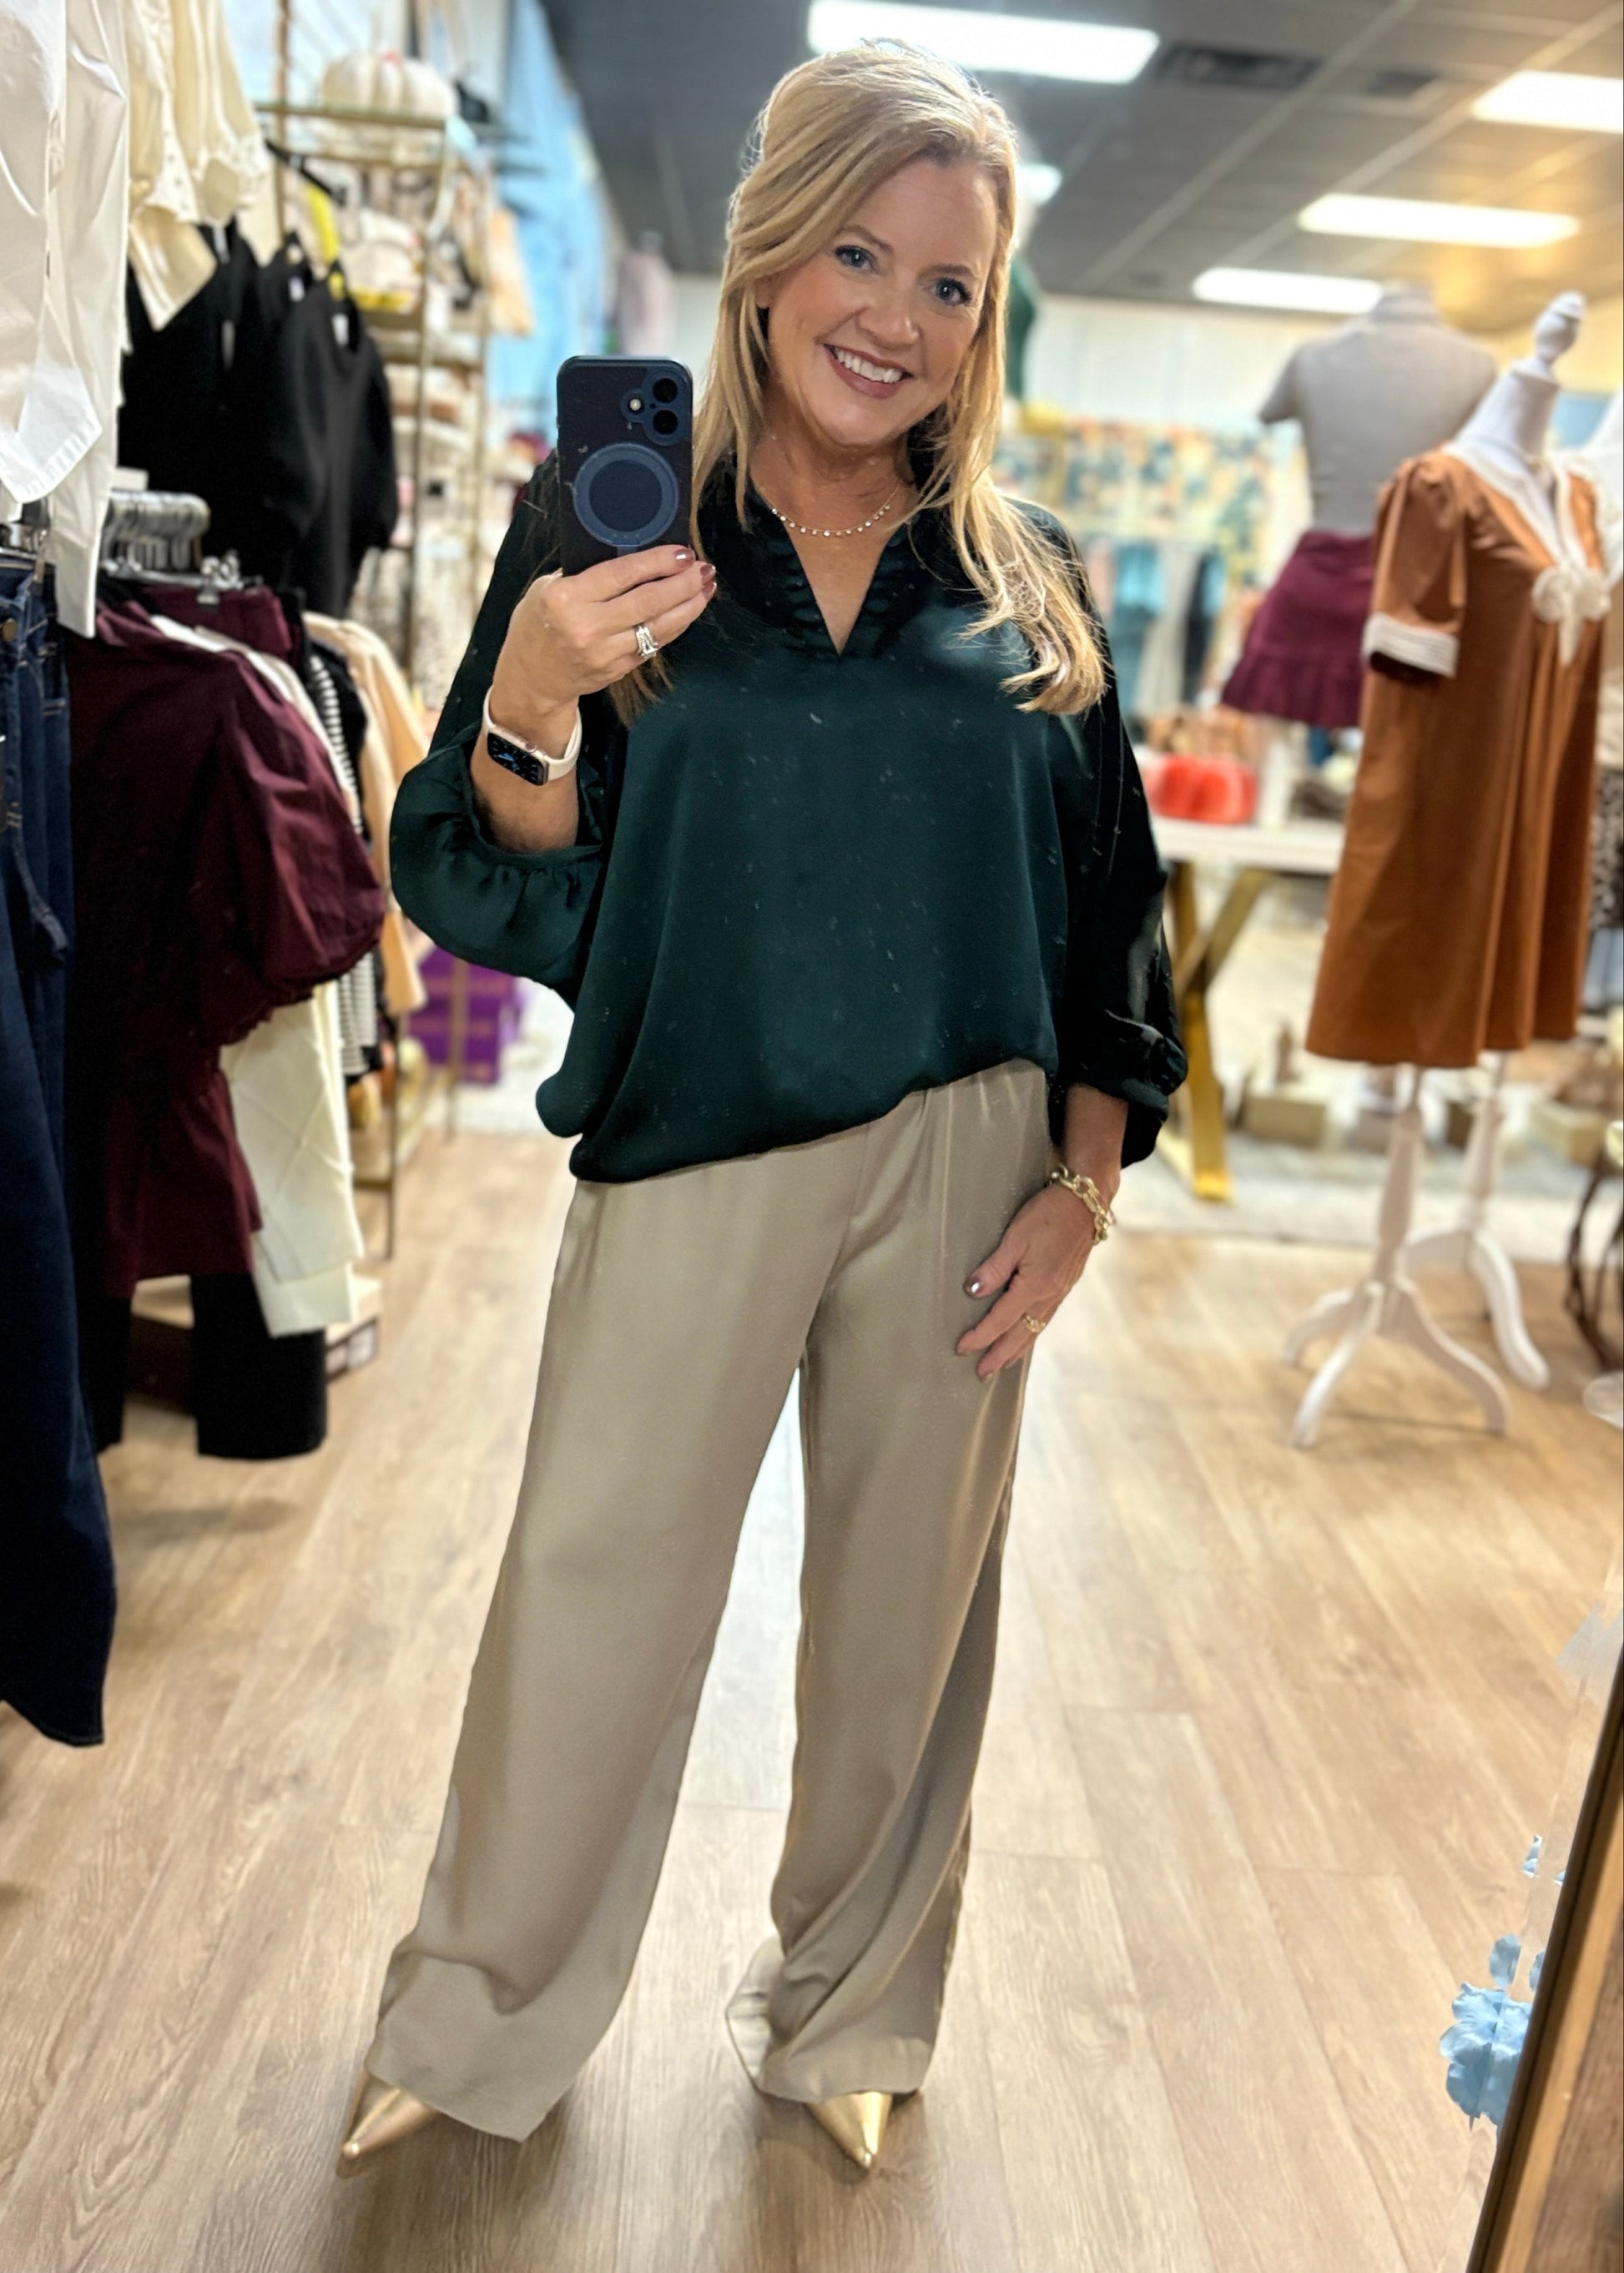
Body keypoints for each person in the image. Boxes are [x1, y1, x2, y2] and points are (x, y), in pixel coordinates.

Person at [339, 40, 1184, 2179]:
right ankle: (479, 2011)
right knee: (592, 1595)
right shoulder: (616, 526)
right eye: (856, 254)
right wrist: (533, 700)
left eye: (951, 284)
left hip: (973, 1152)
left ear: (988, 320)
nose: (895, 317)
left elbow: (1112, 912)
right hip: (697, 1122)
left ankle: (853, 2010)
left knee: (907, 1623)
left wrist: (1084, 1186)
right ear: (767, 252)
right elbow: (504, 883)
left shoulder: (1031, 580)